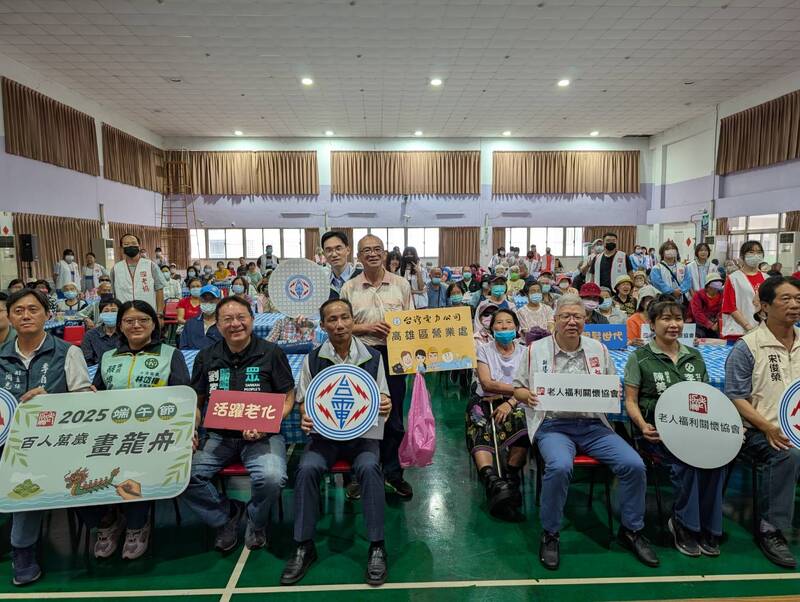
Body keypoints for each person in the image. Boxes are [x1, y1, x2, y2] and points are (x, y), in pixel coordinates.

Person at [513, 294, 658, 571]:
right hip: (553, 425)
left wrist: (612, 392)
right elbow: (518, 388)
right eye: (565, 316)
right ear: (554, 320)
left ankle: (631, 530)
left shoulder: (599, 350)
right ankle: (551, 533)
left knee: (634, 465)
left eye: (577, 317)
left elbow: (612, 388)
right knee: (558, 466)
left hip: (593, 426)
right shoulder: (534, 351)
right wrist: (525, 395)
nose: (571, 322)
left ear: (586, 320)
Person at [281, 298, 391, 586]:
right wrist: (305, 415)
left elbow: (382, 396)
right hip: (324, 437)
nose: (339, 324)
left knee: (369, 469)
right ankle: (304, 545)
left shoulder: (373, 357)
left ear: (353, 320)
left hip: (363, 435)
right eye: (332, 319)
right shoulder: (313, 358)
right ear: (323, 325)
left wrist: (386, 405)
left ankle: (377, 545)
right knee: (305, 470)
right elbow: (305, 400)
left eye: (344, 318)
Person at [181, 296, 295, 552]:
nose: (235, 324)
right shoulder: (206, 356)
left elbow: (289, 397)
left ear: (252, 320)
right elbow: (196, 401)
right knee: (179, 476)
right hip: (218, 436)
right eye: (227, 319)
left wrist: (269, 422)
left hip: (263, 436)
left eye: (241, 317)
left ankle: (256, 521)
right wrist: (190, 429)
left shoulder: (272, 352)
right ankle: (227, 515)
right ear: (218, 325)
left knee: (272, 476)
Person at [0, 289, 92, 585]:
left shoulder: (68, 352)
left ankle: (22, 550)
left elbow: (85, 403)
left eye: (33, 310)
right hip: (5, 440)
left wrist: (50, 399)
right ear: (10, 317)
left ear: (47, 315)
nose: (26, 316)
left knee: (26, 471)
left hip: (55, 442)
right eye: (18, 311)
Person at [86, 300, 190, 560]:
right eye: (129, 321)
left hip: (156, 435)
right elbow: (96, 394)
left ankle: (136, 525)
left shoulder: (169, 354)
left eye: (143, 320)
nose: (136, 325)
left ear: (154, 324)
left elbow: (184, 397)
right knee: (75, 468)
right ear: (120, 325)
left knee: (134, 463)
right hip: (110, 435)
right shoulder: (109, 358)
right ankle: (108, 521)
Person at [625, 295, 725, 558]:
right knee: (688, 464)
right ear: (652, 323)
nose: (674, 324)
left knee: (717, 460)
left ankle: (709, 526)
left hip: (694, 428)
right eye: (666, 319)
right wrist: (642, 425)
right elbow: (630, 400)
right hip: (658, 433)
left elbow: (707, 398)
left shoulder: (694, 356)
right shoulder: (641, 358)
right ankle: (683, 524)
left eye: (678, 318)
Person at [724, 275, 800, 569]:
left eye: (797, 299)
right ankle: (772, 529)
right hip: (759, 431)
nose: (794, 305)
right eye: (786, 299)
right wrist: (768, 427)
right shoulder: (748, 346)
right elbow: (736, 397)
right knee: (788, 455)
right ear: (765, 306)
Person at [340, 235, 414, 499]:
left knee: (392, 418)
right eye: (366, 251)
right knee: (357, 416)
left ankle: (393, 474)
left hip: (394, 354)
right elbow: (342, 325)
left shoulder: (401, 285)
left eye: (377, 249)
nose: (372, 254)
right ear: (358, 257)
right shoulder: (349, 288)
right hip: (359, 355)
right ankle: (357, 475)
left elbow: (411, 323)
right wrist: (367, 327)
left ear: (384, 253)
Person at [468, 309, 529, 521]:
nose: (504, 327)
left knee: (523, 421)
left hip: (516, 402)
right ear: (491, 328)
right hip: (486, 398)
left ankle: (510, 479)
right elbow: (487, 384)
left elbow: (530, 384)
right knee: (478, 422)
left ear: (516, 328)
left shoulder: (526, 352)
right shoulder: (483, 350)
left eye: (509, 323)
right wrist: (519, 389)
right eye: (499, 323)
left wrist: (511, 401)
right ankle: (492, 480)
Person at [721, 240, 767, 341]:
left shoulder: (767, 278)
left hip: (763, 331)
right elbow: (729, 307)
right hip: (739, 331)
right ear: (742, 256)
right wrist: (748, 327)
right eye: (751, 252)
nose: (755, 255)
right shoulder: (734, 278)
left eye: (759, 252)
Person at [110, 233, 164, 316]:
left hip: (147, 312)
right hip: (125, 314)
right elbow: (113, 293)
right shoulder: (116, 268)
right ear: (121, 248)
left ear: (139, 246)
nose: (131, 246)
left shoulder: (150, 265)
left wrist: (160, 313)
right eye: (126, 244)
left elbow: (159, 289)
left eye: (134, 243)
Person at [180, 285, 223, 350]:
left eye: (212, 300)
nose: (208, 303)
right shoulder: (190, 323)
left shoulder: (224, 324)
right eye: (205, 299)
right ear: (200, 300)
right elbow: (183, 347)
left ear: (218, 301)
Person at [80, 297, 122, 365]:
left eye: (114, 311)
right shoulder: (90, 335)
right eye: (106, 311)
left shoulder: (126, 334)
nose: (110, 313)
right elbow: (87, 360)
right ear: (101, 314)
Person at [322, 231, 362, 299]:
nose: (334, 254)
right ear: (324, 254)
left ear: (348, 250)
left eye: (338, 249)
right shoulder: (323, 282)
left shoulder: (361, 276)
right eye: (329, 250)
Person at [689, 273, 724, 339]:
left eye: (719, 283)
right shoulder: (698, 295)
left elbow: (723, 310)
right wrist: (709, 324)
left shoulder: (722, 295)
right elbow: (697, 312)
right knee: (698, 338)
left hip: (716, 325)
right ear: (708, 285)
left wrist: (717, 322)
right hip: (700, 325)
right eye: (714, 283)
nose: (717, 287)